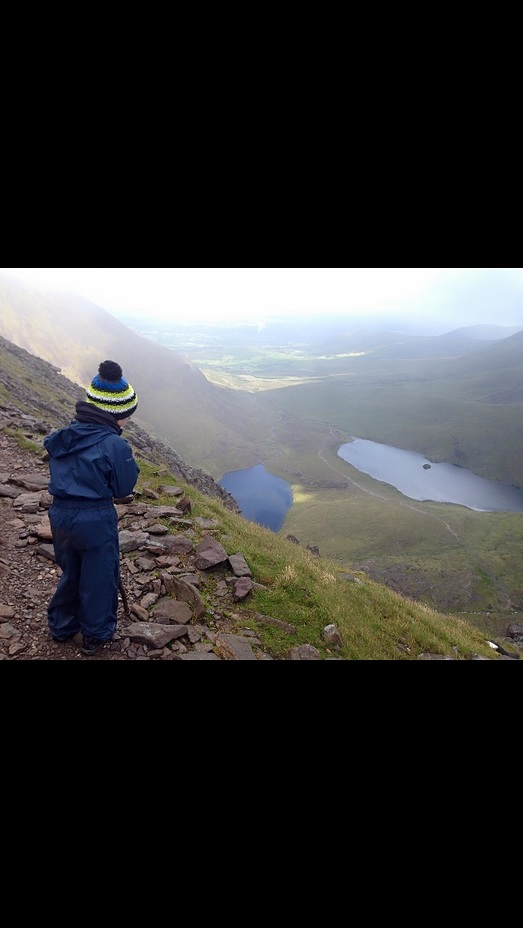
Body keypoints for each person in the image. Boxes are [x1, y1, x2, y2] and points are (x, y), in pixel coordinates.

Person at [44, 360, 140, 656]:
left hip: (60, 514)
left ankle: (61, 626)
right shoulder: (115, 446)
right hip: (95, 518)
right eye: (126, 415)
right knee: (98, 576)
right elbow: (124, 488)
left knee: (70, 570)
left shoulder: (64, 437)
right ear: (115, 413)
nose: (126, 421)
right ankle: (94, 635)